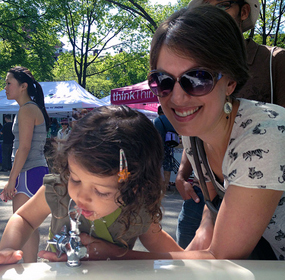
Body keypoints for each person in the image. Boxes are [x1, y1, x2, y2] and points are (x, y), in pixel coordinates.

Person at [43, 6, 284, 261]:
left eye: (199, 78)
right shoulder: (196, 132)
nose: (178, 97)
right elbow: (211, 221)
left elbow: (221, 258)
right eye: (163, 80)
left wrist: (110, 253)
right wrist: (183, 264)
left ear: (231, 83)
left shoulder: (263, 136)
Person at [0, 105, 182, 264]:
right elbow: (24, 218)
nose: (81, 196)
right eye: (76, 179)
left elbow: (164, 246)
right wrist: (8, 248)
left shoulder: (137, 208)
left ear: (135, 187)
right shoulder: (60, 189)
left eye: (101, 191)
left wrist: (194, 260)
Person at [175, 0, 285, 249]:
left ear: (244, 11)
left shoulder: (274, 61)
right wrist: (182, 174)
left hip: (267, 192)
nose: (179, 95)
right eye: (161, 81)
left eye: (222, 4)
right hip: (212, 185)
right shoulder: (189, 62)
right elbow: (200, 126)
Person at [1, 66, 50, 263]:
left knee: (22, 223)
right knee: (28, 225)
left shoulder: (27, 110)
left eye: (8, 83)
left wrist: (11, 180)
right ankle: (31, 268)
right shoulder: (28, 108)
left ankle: (30, 270)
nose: (5, 87)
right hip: (33, 170)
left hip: (30, 171)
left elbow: (24, 147)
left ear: (23, 86)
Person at [153, 106, 177, 190]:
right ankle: (166, 185)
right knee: (167, 167)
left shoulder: (155, 121)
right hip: (169, 146)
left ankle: (159, 185)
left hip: (157, 147)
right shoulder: (169, 120)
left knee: (158, 167)